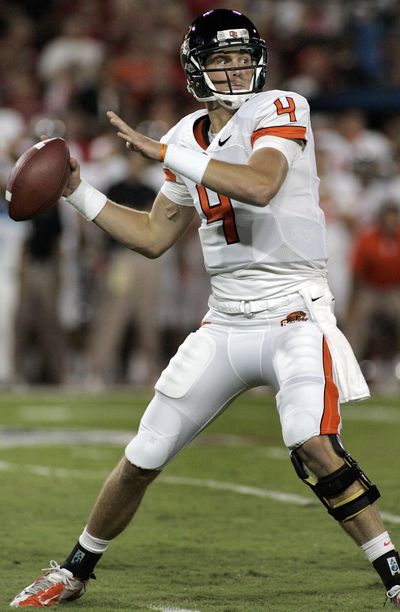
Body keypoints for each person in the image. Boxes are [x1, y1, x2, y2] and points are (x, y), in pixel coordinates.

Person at [10, 9, 400, 608]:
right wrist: (79, 193)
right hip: (225, 321)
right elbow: (152, 237)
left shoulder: (282, 107)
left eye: (243, 56)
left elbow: (261, 183)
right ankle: (75, 569)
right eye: (222, 59)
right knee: (143, 456)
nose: (237, 68)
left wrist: (165, 152)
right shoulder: (187, 135)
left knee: (310, 440)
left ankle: (393, 571)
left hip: (295, 310)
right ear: (197, 70)